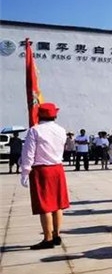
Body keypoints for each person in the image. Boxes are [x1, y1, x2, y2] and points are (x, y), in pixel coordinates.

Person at [19, 102, 70, 250]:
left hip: (42, 170)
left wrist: (25, 172)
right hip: (57, 169)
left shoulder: (35, 131)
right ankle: (56, 235)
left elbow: (28, 153)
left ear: (39, 115)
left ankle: (47, 238)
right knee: (57, 205)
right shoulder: (61, 130)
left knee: (45, 206)